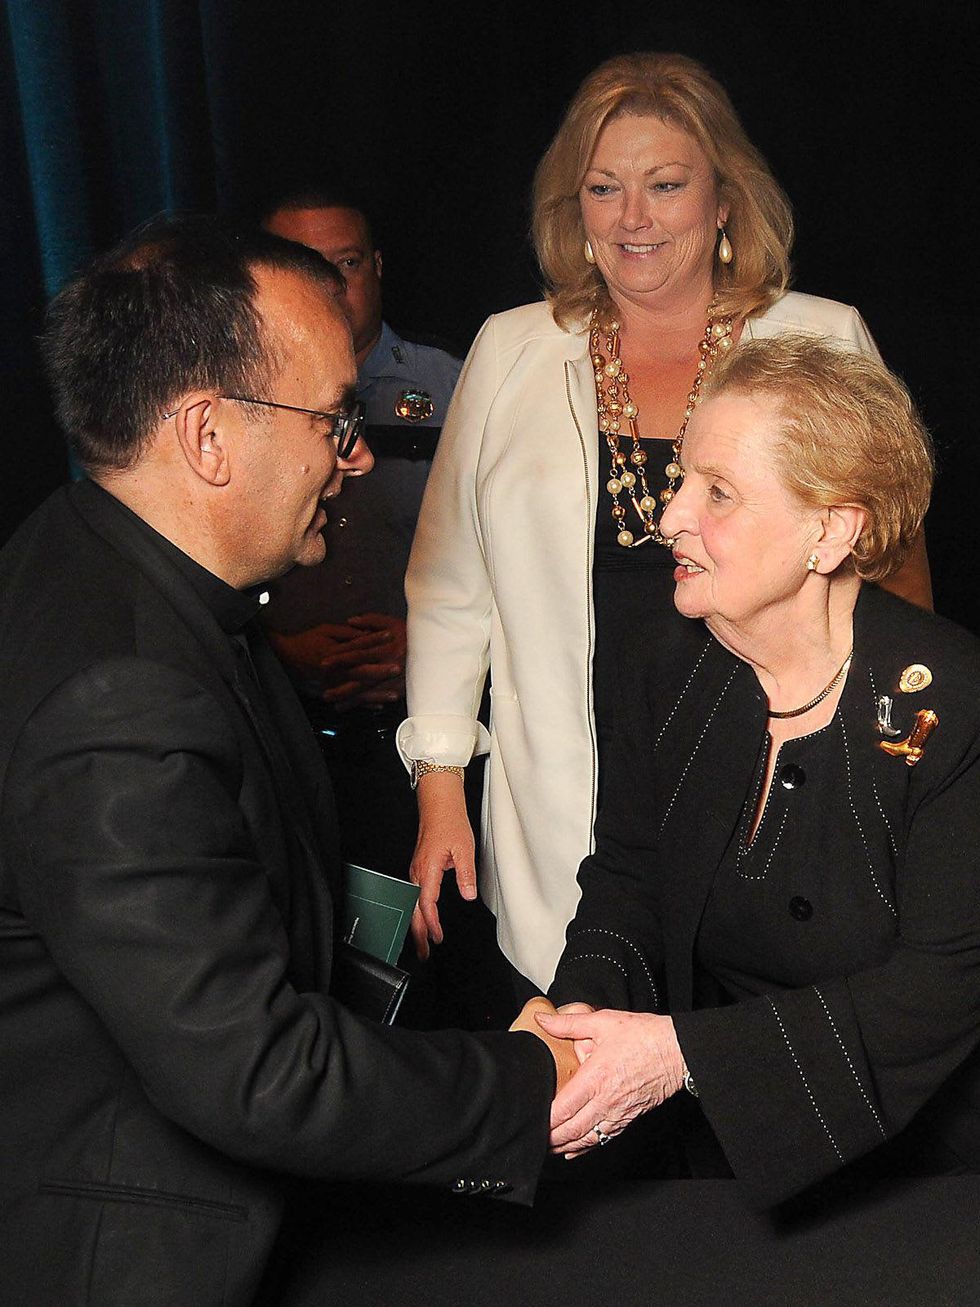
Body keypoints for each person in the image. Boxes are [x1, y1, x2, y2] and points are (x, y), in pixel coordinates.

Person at [0, 216, 575, 1307]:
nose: (354, 455)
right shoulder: (118, 695)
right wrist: (535, 1074)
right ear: (208, 436)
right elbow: (257, 1074)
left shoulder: (100, 561)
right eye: (334, 419)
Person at [400, 51, 933, 995]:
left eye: (665, 184)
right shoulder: (510, 347)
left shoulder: (821, 335)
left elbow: (896, 590)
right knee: (583, 1081)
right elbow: (451, 585)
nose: (632, 217)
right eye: (603, 188)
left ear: (725, 200)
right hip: (565, 797)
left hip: (776, 785)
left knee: (750, 1073)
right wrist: (441, 779)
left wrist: (888, 785)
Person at [539, 335, 980, 1208]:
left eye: (719, 494)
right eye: (683, 481)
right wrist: (572, 1031)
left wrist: (679, 1058)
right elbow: (629, 879)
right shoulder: (664, 660)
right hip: (718, 1160)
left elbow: (939, 989)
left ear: (830, 531)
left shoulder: (956, 704)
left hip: (928, 1174)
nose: (669, 519)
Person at [261, 191, 462, 878]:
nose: (330, 287)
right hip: (284, 729)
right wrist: (275, 652)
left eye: (345, 263)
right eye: (302, 266)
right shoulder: (235, 400)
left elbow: (508, 561)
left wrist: (430, 650)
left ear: (376, 266)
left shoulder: (456, 388)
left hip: (425, 739)